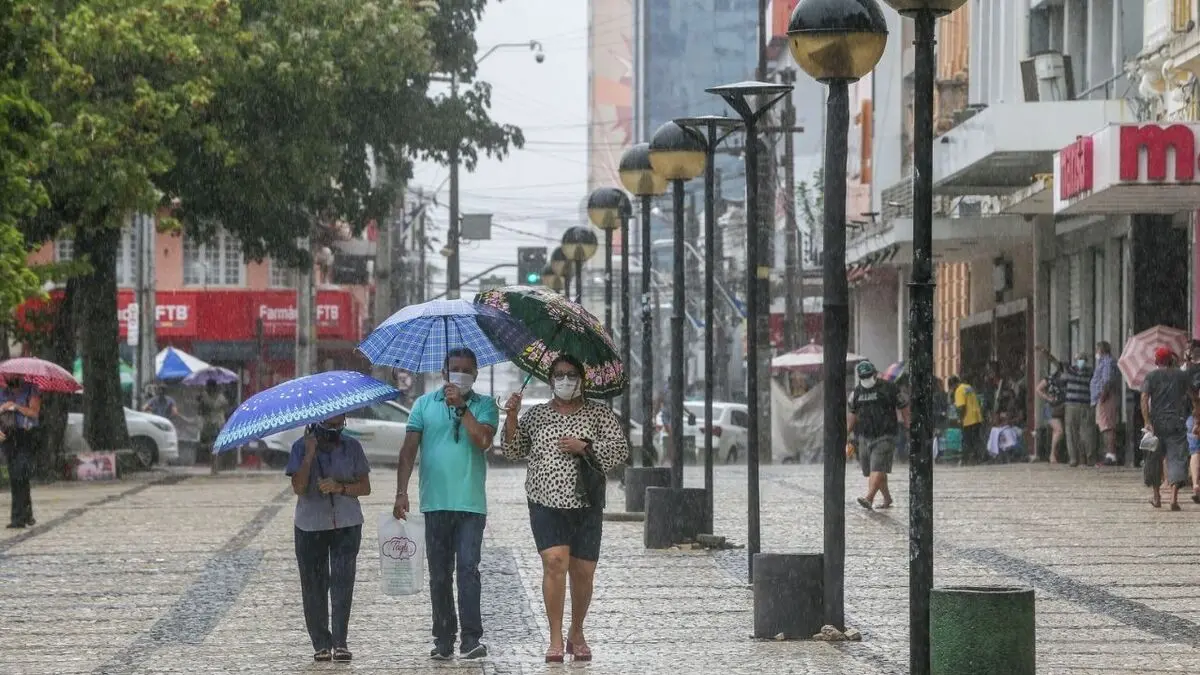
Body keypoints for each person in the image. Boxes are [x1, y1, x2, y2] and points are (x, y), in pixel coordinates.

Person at [502, 354, 628, 663]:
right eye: (559, 374)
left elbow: (620, 450)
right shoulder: (537, 415)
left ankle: (576, 631)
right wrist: (512, 417)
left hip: (587, 503)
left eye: (571, 374)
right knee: (555, 563)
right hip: (545, 501)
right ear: (549, 380)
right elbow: (513, 450)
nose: (565, 379)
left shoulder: (599, 414)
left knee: (583, 573)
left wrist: (584, 447)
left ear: (582, 379)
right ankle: (555, 639)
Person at [394, 347, 498, 661]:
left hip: (470, 505)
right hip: (435, 504)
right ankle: (443, 639)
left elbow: (483, 441)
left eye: (467, 369)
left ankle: (471, 639)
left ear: (476, 374)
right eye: (455, 368)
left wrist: (463, 408)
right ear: (443, 373)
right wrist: (401, 491)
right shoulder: (423, 405)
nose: (461, 374)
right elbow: (409, 450)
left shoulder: (486, 405)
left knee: (468, 570)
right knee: (439, 574)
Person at [285, 415, 371, 662]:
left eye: (339, 424)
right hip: (310, 526)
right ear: (317, 422)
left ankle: (341, 641)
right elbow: (299, 488)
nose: (334, 430)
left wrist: (340, 487)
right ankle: (321, 642)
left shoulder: (352, 447)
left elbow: (365, 487)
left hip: (347, 524)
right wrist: (309, 456)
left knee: (343, 583)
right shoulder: (299, 448)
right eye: (329, 425)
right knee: (314, 586)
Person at [1140, 347, 1198, 510]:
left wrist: (1147, 421)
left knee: (1154, 459)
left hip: (1157, 423)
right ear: (1171, 360)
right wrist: (1196, 417)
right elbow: (1194, 396)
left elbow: (1144, 398)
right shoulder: (1181, 375)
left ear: (1157, 361)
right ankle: (1173, 499)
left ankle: (1157, 497)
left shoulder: (1151, 376)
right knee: (1177, 457)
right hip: (1177, 422)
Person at [847, 361, 908, 510]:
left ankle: (869, 498)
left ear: (875, 374)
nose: (866, 378)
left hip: (885, 434)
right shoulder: (856, 393)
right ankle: (887, 499)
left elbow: (904, 406)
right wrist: (847, 433)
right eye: (863, 376)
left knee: (878, 466)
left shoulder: (889, 388)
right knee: (871, 470)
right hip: (864, 436)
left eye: (868, 376)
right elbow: (852, 413)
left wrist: (908, 424)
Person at [1, 376, 40, 528]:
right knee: (16, 476)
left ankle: (18, 517)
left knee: (20, 473)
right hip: (8, 435)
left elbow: (34, 413)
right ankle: (26, 514)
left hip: (26, 435)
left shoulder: (31, 388)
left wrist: (16, 406)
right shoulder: (3, 392)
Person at [1061, 352, 1094, 467]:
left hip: (1072, 405)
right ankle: (1088, 458)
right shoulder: (1090, 372)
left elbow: (1062, 379)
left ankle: (1074, 458)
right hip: (1085, 404)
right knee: (1086, 432)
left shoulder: (1070, 371)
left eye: (1081, 359)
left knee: (1072, 432)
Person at [1034, 348, 1066, 463]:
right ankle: (1052, 454)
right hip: (1051, 408)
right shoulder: (1052, 378)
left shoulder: (1068, 378)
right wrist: (1048, 397)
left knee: (1058, 432)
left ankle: (1054, 454)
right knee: (1059, 430)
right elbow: (1038, 389)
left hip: (1062, 407)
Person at [1092, 341, 1120, 466]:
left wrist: (1103, 395)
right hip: (1103, 397)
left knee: (1107, 426)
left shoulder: (1107, 362)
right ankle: (1108, 453)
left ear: (1101, 350)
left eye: (1097, 350)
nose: (1096, 353)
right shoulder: (1103, 362)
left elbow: (1107, 380)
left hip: (1106, 397)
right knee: (1104, 426)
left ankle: (1111, 455)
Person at [947, 375, 984, 465]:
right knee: (976, 439)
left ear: (952, 385)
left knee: (967, 440)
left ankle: (965, 460)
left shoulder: (959, 390)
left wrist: (960, 419)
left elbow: (961, 407)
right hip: (977, 417)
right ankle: (978, 458)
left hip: (968, 419)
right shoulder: (968, 387)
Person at [198, 379, 229, 467]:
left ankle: (215, 464)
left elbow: (224, 407)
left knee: (214, 444)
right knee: (213, 444)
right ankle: (214, 464)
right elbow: (201, 410)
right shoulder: (219, 396)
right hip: (214, 423)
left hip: (215, 423)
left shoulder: (213, 397)